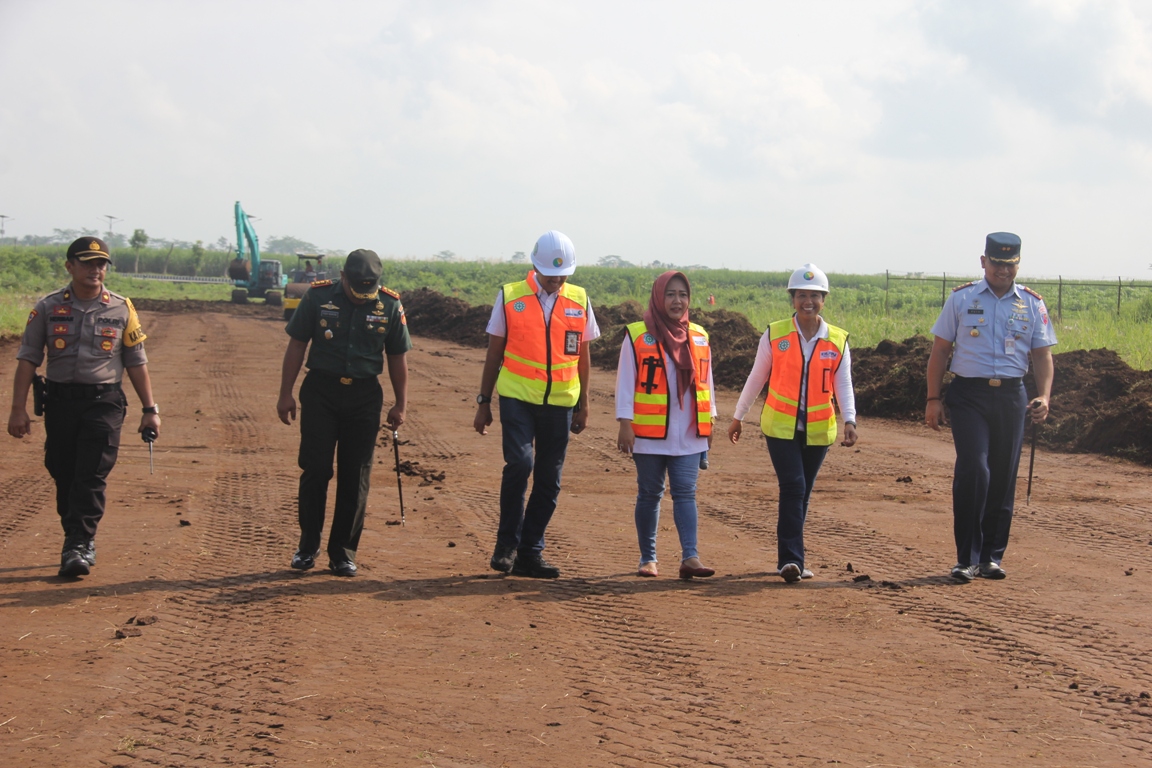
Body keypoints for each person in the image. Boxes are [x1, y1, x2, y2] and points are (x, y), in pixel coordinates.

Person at [8, 237, 160, 578]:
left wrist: (150, 409)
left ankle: (80, 543)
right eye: (88, 263)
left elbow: (136, 362)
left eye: (102, 264)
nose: (96, 270)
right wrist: (17, 409)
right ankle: (74, 535)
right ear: (70, 266)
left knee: (90, 475)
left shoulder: (122, 308)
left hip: (104, 403)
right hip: (61, 403)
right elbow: (28, 360)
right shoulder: (47, 308)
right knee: (63, 472)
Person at [925, 232, 1055, 582]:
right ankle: (965, 557)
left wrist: (1044, 395)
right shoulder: (962, 299)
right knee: (974, 468)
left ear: (1018, 265)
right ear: (984, 261)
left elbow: (1042, 355)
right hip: (968, 396)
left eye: (1010, 264)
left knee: (1002, 475)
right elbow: (940, 352)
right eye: (997, 263)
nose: (1003, 270)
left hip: (1012, 397)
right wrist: (933, 398)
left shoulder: (1031, 303)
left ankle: (990, 557)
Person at [473, 230, 600, 578]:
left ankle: (530, 552)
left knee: (549, 479)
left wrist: (584, 405)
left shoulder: (579, 300)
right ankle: (506, 544)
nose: (557, 280)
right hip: (517, 399)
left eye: (563, 274)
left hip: (560, 402)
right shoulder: (510, 297)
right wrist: (484, 402)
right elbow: (493, 353)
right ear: (535, 266)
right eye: (550, 273)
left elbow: (583, 360)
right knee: (520, 463)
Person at [277, 249, 410, 577]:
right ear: (343, 277)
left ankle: (343, 552)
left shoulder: (390, 305)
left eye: (369, 290)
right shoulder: (318, 297)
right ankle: (308, 546)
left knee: (356, 475)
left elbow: (397, 357)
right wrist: (285, 394)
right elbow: (297, 344)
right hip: (321, 391)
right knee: (316, 468)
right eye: (356, 289)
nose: (363, 296)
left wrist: (400, 403)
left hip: (364, 398)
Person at [727, 264, 858, 583]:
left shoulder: (837, 341)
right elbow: (757, 376)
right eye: (801, 295)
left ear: (824, 299)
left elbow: (844, 384)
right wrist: (738, 416)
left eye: (814, 295)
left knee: (803, 492)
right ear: (792, 298)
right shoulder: (775, 334)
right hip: (780, 427)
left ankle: (794, 557)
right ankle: (790, 560)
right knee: (794, 487)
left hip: (819, 430)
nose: (807, 301)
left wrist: (850, 419)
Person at [615, 271, 717, 579]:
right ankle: (648, 558)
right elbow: (625, 380)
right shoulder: (637, 335)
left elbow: (707, 381)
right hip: (648, 432)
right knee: (650, 493)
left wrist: (710, 418)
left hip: (688, 431)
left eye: (683, 295)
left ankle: (691, 557)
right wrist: (625, 422)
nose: (677, 300)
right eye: (670, 294)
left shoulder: (699, 335)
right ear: (659, 297)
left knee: (686, 492)